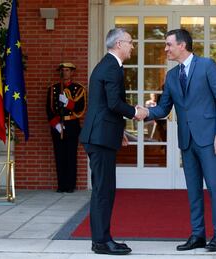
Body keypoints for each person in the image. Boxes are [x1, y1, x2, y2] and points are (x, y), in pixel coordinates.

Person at [141, 29, 216, 252]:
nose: (165, 49)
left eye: (168, 45)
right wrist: (145, 113)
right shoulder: (171, 76)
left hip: (210, 139)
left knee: (215, 187)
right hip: (187, 140)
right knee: (193, 190)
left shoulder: (207, 66)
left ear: (182, 45)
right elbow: (163, 108)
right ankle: (197, 235)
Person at [79, 28, 146, 255]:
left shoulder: (110, 65)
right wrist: (135, 112)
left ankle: (104, 238)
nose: (132, 46)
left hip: (102, 136)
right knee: (103, 190)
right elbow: (113, 103)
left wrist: (119, 131)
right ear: (118, 44)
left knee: (105, 189)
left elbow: (106, 105)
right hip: (99, 139)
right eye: (130, 42)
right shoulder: (111, 67)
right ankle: (100, 242)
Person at [46, 62, 86, 193]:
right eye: (62, 70)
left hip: (72, 125)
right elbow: (49, 108)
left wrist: (68, 102)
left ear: (72, 72)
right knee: (59, 156)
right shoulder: (53, 89)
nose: (65, 73)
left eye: (67, 70)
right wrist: (56, 124)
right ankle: (61, 185)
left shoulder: (79, 89)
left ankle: (70, 185)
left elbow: (81, 108)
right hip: (58, 126)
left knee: (71, 156)